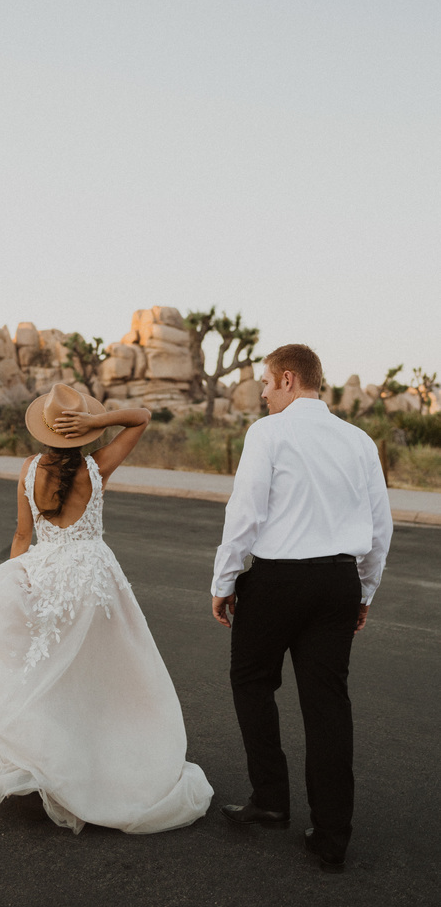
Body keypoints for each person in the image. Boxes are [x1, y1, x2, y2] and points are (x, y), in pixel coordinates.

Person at [0, 382, 213, 834]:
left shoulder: (28, 469)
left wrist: (17, 585)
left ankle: (49, 757)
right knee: (104, 678)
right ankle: (101, 756)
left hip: (45, 575)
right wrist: (100, 422)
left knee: (48, 676)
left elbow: (22, 538)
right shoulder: (97, 466)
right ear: (80, 431)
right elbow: (142, 416)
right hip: (92, 581)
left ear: (44, 431)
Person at [211, 345, 392, 872]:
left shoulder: (269, 433)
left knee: (250, 679)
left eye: (266, 383)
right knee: (327, 703)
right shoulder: (360, 441)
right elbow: (380, 528)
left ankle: (270, 799)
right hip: (338, 580)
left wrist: (224, 580)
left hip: (277, 582)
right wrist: (363, 591)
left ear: (288, 380)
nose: (263, 393)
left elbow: (245, 511)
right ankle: (332, 835)